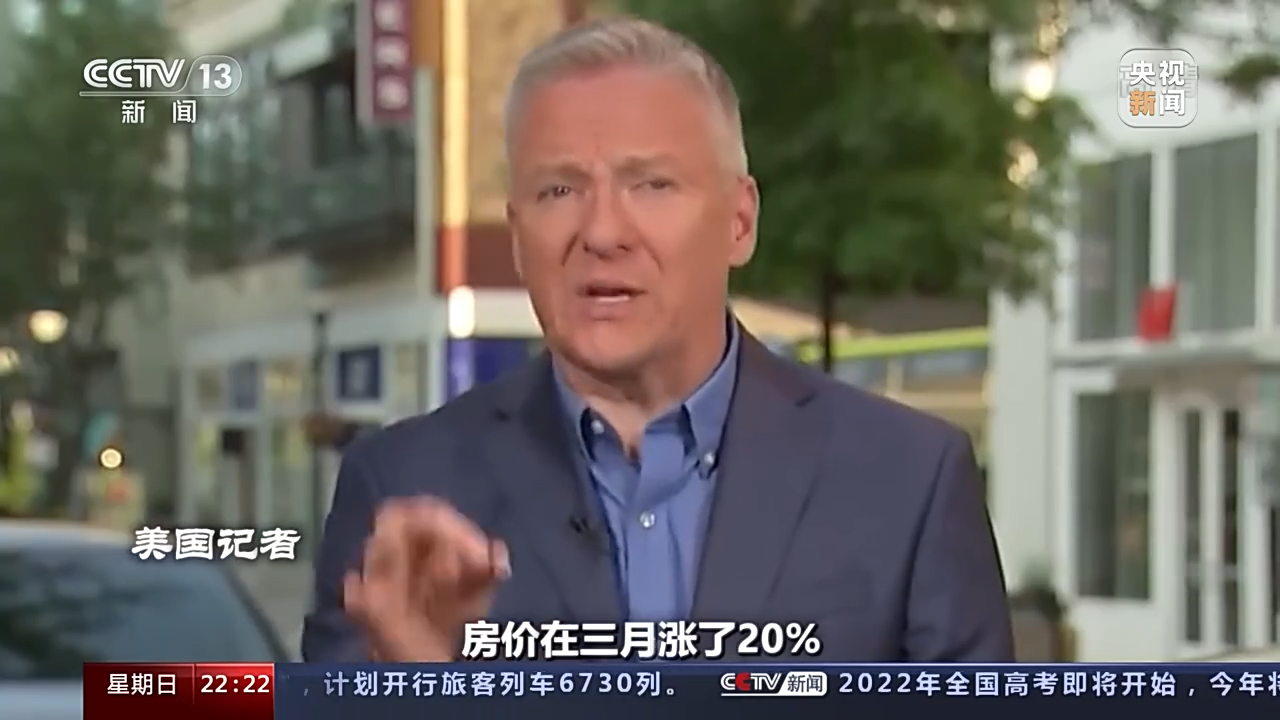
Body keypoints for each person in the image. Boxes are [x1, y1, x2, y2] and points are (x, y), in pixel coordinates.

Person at [302, 16, 1013, 663]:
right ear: (518, 238)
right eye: (558, 191)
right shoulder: (400, 491)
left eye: (651, 185)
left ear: (739, 222)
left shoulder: (908, 481)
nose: (602, 232)